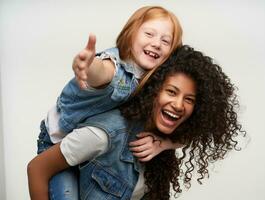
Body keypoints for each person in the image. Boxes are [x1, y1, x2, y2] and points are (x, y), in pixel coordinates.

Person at [27, 45, 246, 200]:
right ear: (153, 90)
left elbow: (199, 132)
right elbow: (37, 169)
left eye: (189, 100)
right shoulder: (105, 134)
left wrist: (165, 144)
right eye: (171, 92)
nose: (179, 105)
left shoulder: (162, 141)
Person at [34, 6, 183, 200]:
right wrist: (89, 67)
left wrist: (164, 143)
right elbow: (103, 73)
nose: (156, 43)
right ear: (131, 33)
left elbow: (192, 128)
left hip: (87, 148)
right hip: (56, 139)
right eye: (149, 34)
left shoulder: (155, 81)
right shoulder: (119, 68)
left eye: (165, 41)